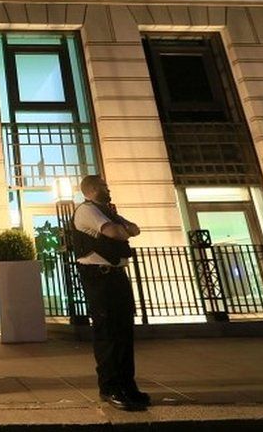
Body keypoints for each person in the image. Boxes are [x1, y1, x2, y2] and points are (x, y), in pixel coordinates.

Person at [70, 174, 149, 412]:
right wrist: (122, 229)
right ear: (92, 189)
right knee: (107, 332)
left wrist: (122, 228)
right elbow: (115, 232)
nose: (108, 189)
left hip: (116, 274)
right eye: (104, 186)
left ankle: (127, 384)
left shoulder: (108, 211)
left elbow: (135, 229)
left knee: (124, 330)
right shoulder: (87, 210)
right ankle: (110, 387)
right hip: (98, 276)